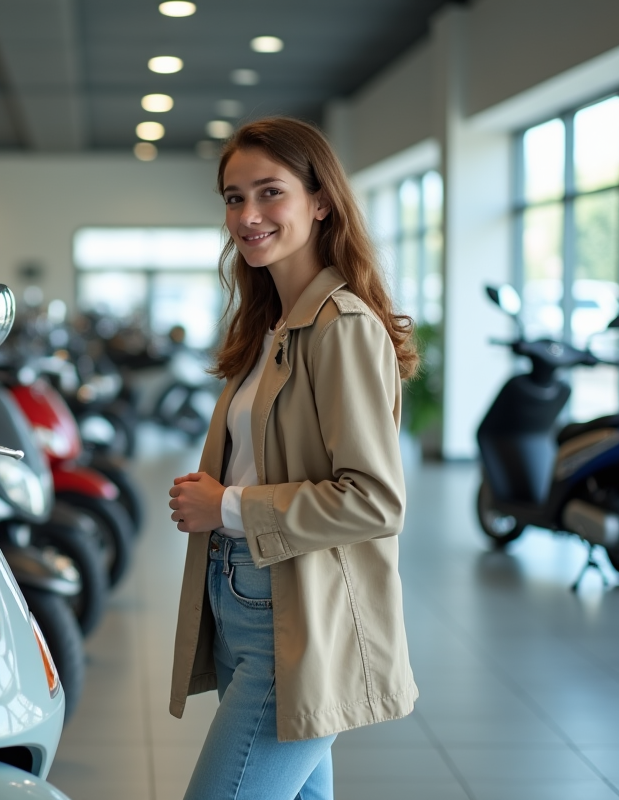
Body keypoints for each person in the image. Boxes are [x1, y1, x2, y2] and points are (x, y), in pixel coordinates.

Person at [166, 116, 420, 800]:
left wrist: (224, 503)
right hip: (246, 594)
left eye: (269, 192)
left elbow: (374, 499)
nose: (248, 215)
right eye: (233, 197)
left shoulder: (343, 329)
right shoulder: (270, 323)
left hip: (296, 612)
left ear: (320, 200)